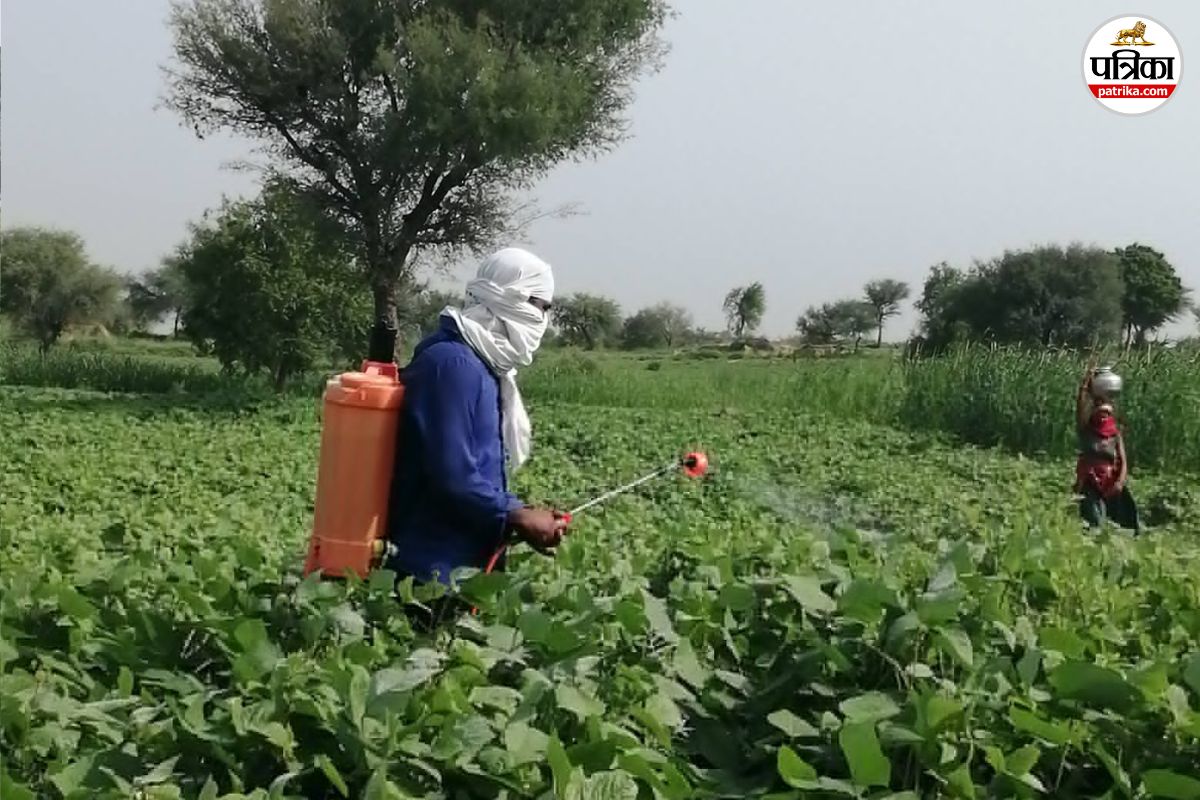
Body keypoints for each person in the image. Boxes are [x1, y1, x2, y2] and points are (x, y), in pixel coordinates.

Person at [383, 247, 570, 629]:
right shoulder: (452, 365)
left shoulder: (482, 364)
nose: (543, 320)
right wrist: (515, 514)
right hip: (430, 573)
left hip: (464, 567)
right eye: (541, 307)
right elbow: (452, 475)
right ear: (510, 298)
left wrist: (517, 514)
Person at [1074, 364, 1140, 534]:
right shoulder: (1087, 430)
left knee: (1121, 518)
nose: (1103, 416)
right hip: (1090, 479)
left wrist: (1119, 482)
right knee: (1093, 519)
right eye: (1099, 413)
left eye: (1106, 413)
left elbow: (1123, 461)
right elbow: (1080, 407)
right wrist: (1085, 386)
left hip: (1110, 480)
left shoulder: (1115, 434)